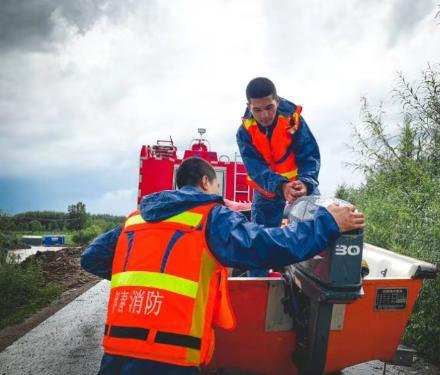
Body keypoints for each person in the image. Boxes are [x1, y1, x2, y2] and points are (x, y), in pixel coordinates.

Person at [81, 157, 364, 375]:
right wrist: (328, 223)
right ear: (206, 182)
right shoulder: (210, 216)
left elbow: (92, 257)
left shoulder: (136, 219)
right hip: (169, 354)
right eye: (217, 186)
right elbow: (267, 247)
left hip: (117, 350)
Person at [236, 77, 321, 276]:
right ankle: (258, 291)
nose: (264, 115)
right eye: (257, 110)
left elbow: (310, 156)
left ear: (277, 100)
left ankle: (308, 283)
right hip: (267, 191)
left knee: (316, 229)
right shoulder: (244, 133)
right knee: (258, 242)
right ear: (249, 106)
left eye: (269, 107)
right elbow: (256, 170)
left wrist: (306, 183)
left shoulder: (294, 121)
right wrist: (281, 186)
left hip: (300, 187)